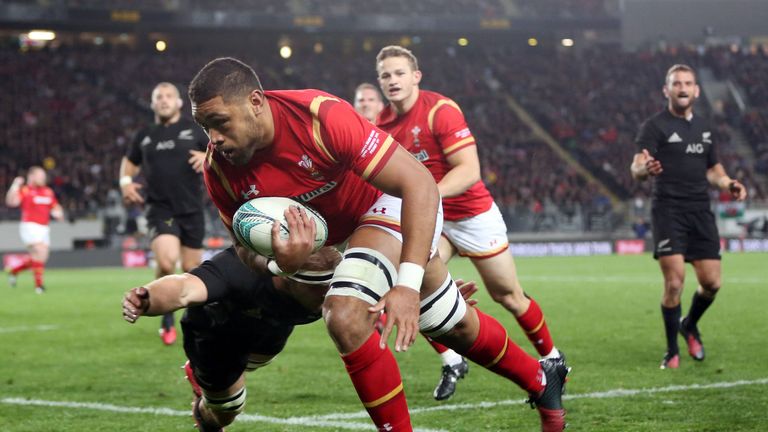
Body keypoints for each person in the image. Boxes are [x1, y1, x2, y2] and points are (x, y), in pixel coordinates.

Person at [189, 57, 568, 432]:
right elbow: (243, 247)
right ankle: (540, 381)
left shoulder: (320, 117)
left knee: (346, 314)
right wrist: (277, 264)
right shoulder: (219, 169)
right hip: (337, 238)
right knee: (447, 321)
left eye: (220, 122)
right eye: (205, 127)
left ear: (255, 102)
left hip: (387, 204)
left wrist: (405, 283)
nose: (214, 138)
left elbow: (418, 183)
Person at [374, 45, 564, 400]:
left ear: (416, 76)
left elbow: (469, 170)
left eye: (399, 73)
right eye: (385, 75)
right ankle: (451, 359)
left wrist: (425, 197)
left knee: (507, 295)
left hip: (471, 213)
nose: (392, 80)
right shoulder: (382, 125)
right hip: (433, 221)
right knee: (416, 287)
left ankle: (553, 359)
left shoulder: (439, 111)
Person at [123, 206, 342, 431]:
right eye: (318, 288)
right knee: (228, 410)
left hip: (271, 326)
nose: (328, 294)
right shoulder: (239, 273)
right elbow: (184, 288)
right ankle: (204, 406)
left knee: (258, 360)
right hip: (217, 332)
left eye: (331, 284)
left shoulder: (331, 284)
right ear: (288, 279)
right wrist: (146, 297)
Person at [630, 64, 747, 369]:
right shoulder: (654, 126)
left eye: (688, 83)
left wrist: (728, 183)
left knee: (712, 283)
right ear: (666, 91)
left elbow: (713, 169)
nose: (682, 88)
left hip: (700, 211)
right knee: (674, 283)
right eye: (676, 83)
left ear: (696, 90)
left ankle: (689, 324)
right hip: (668, 210)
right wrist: (646, 168)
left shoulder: (705, 128)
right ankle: (672, 351)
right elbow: (636, 168)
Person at [119, 82, 210, 345]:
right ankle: (167, 315)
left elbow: (222, 151)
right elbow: (129, 163)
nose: (164, 100)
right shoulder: (144, 135)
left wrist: (208, 158)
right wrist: (125, 183)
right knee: (168, 262)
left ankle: (192, 323)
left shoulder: (195, 130)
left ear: (180, 103)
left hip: (192, 209)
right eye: (159, 96)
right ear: (152, 103)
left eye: (169, 96)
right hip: (159, 208)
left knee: (193, 270)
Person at [4, 166, 64, 293]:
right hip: (30, 226)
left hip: (44, 228)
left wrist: (58, 213)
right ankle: (39, 286)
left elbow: (55, 206)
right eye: (40, 175)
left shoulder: (48, 191)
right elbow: (11, 202)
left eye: (43, 176)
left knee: (40, 258)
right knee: (40, 250)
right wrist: (15, 185)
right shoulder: (25, 190)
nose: (43, 178)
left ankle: (14, 271)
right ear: (31, 176)